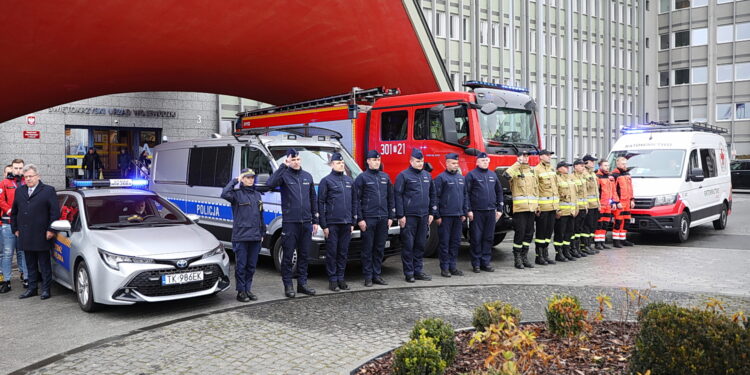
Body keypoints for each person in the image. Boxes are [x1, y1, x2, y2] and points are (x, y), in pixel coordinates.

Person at [266, 148, 318, 298]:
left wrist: (315, 220)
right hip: (290, 223)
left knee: (304, 255)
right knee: (288, 256)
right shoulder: (284, 176)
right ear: (288, 160)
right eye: (292, 159)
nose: (296, 162)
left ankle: (302, 284)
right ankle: (288, 285)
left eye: (297, 159)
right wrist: (283, 166)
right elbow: (270, 183)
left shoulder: (307, 176)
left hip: (306, 223)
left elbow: (313, 199)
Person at [12, 164, 60, 300]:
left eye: (30, 176)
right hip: (25, 234)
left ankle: (46, 289)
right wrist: (15, 228)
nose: (28, 179)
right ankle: (32, 289)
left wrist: (51, 229)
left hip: (42, 234)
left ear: (38, 176)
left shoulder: (48, 190)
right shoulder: (20, 191)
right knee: (30, 263)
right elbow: (14, 212)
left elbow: (55, 212)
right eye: (25, 177)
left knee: (44, 264)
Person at [222, 168, 266, 302]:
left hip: (255, 236)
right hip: (241, 236)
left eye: (252, 178)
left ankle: (248, 289)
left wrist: (262, 232)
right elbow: (224, 193)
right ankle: (240, 291)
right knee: (241, 266)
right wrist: (235, 180)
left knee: (251, 266)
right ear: (242, 179)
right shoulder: (236, 194)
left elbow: (260, 215)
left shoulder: (257, 195)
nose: (250, 180)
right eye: (247, 177)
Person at [394, 148, 436, 283]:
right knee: (408, 245)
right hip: (409, 216)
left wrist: (431, 212)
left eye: (422, 161)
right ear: (411, 161)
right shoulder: (403, 176)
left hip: (423, 216)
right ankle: (409, 272)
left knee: (420, 245)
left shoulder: (427, 176)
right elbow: (398, 196)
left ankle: (418, 271)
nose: (420, 164)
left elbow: (432, 195)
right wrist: (400, 215)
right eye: (418, 161)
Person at [354, 150, 394, 287]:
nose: (377, 162)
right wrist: (360, 219)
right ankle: (368, 276)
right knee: (367, 249)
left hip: (383, 218)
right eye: (374, 160)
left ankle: (377, 275)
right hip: (368, 218)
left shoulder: (385, 177)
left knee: (379, 248)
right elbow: (356, 200)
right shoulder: (362, 178)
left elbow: (390, 198)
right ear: (368, 161)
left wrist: (391, 217)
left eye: (378, 160)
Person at [318, 152, 356, 292]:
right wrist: (324, 224)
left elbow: (354, 202)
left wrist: (353, 221)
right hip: (332, 223)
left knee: (343, 252)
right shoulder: (326, 181)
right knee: (332, 252)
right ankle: (332, 279)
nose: (341, 165)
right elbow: (320, 203)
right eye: (338, 163)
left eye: (342, 163)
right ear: (332, 164)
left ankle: (341, 278)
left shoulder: (349, 181)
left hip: (346, 223)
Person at [465, 152, 503, 273]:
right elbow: (466, 194)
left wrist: (500, 209)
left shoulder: (493, 175)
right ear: (477, 162)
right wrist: (468, 210)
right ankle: (476, 263)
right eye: (482, 160)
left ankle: (485, 262)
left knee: (488, 238)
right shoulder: (471, 175)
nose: (485, 162)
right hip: (477, 212)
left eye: (487, 160)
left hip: (491, 212)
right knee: (476, 238)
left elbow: (499, 192)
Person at [433, 153, 468, 277]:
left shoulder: (461, 178)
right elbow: (435, 198)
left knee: (455, 242)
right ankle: (445, 268)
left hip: (458, 216)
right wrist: (437, 215)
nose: (455, 165)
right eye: (453, 163)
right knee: (445, 243)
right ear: (446, 163)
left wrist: (464, 211)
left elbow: (465, 196)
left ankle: (453, 267)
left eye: (456, 163)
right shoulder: (441, 178)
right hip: (446, 216)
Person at [504, 150, 539, 269]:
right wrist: (517, 163)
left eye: (527, 156)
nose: (525, 158)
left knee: (529, 233)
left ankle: (524, 256)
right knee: (520, 232)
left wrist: (537, 205)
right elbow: (506, 175)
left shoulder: (532, 171)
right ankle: (517, 258)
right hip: (520, 209)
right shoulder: (514, 170)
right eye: (523, 156)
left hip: (531, 208)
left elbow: (536, 189)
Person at [0, 159, 28, 293]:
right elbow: (0, 200)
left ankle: (26, 277)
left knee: (23, 251)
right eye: (15, 168)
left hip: (23, 224)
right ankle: (6, 281)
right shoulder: (4, 183)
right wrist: (10, 210)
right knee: (7, 254)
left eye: (20, 168)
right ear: (12, 168)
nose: (18, 171)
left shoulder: (26, 182)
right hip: (8, 223)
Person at [532, 150, 558, 265]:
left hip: (552, 207)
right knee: (541, 233)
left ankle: (545, 254)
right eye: (547, 155)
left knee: (549, 232)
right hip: (543, 207)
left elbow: (556, 189)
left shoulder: (552, 169)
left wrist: (557, 207)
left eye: (550, 155)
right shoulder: (536, 170)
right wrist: (537, 205)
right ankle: (539, 256)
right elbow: (535, 189)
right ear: (541, 157)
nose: (549, 157)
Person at [553, 161, 578, 262]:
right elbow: (555, 195)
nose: (567, 168)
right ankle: (558, 253)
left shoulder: (570, 179)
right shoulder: (556, 178)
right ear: (559, 168)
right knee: (560, 233)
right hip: (562, 212)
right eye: (565, 167)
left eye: (568, 167)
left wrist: (576, 208)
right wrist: (557, 210)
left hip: (571, 212)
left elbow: (575, 196)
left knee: (569, 232)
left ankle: (566, 251)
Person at [611, 157, 635, 247]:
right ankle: (616, 241)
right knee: (618, 221)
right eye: (623, 164)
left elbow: (630, 188)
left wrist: (632, 199)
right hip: (620, 202)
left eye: (626, 164)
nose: (625, 166)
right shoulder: (614, 175)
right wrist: (616, 202)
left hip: (627, 202)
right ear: (618, 164)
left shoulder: (627, 174)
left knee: (626, 221)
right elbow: (613, 190)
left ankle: (623, 239)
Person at [595, 159, 618, 250]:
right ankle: (597, 243)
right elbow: (596, 192)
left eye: (608, 166)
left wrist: (614, 202)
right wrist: (597, 204)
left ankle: (602, 241)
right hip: (601, 204)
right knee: (599, 224)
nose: (607, 167)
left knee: (605, 224)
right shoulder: (597, 177)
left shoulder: (610, 177)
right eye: (605, 165)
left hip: (608, 205)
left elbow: (613, 191)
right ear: (600, 166)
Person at [571, 159, 591, 257]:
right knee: (574, 229)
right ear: (575, 167)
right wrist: (575, 207)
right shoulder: (572, 177)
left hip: (583, 207)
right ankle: (573, 248)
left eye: (584, 166)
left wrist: (586, 206)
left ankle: (578, 248)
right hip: (576, 207)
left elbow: (585, 193)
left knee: (579, 229)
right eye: (581, 166)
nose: (583, 167)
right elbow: (573, 194)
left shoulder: (583, 177)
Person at [582, 155, 601, 254]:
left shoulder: (592, 174)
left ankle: (589, 244)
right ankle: (585, 246)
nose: (593, 163)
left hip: (594, 205)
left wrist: (598, 204)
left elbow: (596, 191)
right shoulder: (584, 173)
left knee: (592, 225)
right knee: (587, 226)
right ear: (586, 163)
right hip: (588, 205)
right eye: (591, 161)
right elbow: (586, 189)